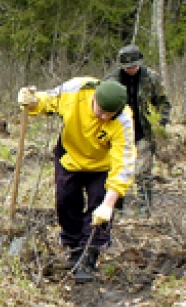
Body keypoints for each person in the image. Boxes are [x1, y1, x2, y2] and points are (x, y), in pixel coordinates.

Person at [18, 78, 136, 283]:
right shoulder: (76, 92)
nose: (103, 116)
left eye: (109, 114)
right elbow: (48, 100)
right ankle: (73, 247)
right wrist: (32, 101)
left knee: (98, 204)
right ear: (94, 98)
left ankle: (89, 254)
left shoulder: (123, 120)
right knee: (65, 200)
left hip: (101, 165)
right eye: (100, 110)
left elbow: (124, 165)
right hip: (70, 156)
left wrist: (108, 205)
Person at [103, 44, 171, 211]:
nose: (131, 69)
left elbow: (163, 102)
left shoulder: (152, 78)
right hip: (118, 132)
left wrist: (161, 121)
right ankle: (116, 207)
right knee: (117, 170)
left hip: (144, 131)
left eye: (134, 65)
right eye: (127, 66)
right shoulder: (111, 81)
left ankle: (145, 208)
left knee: (143, 172)